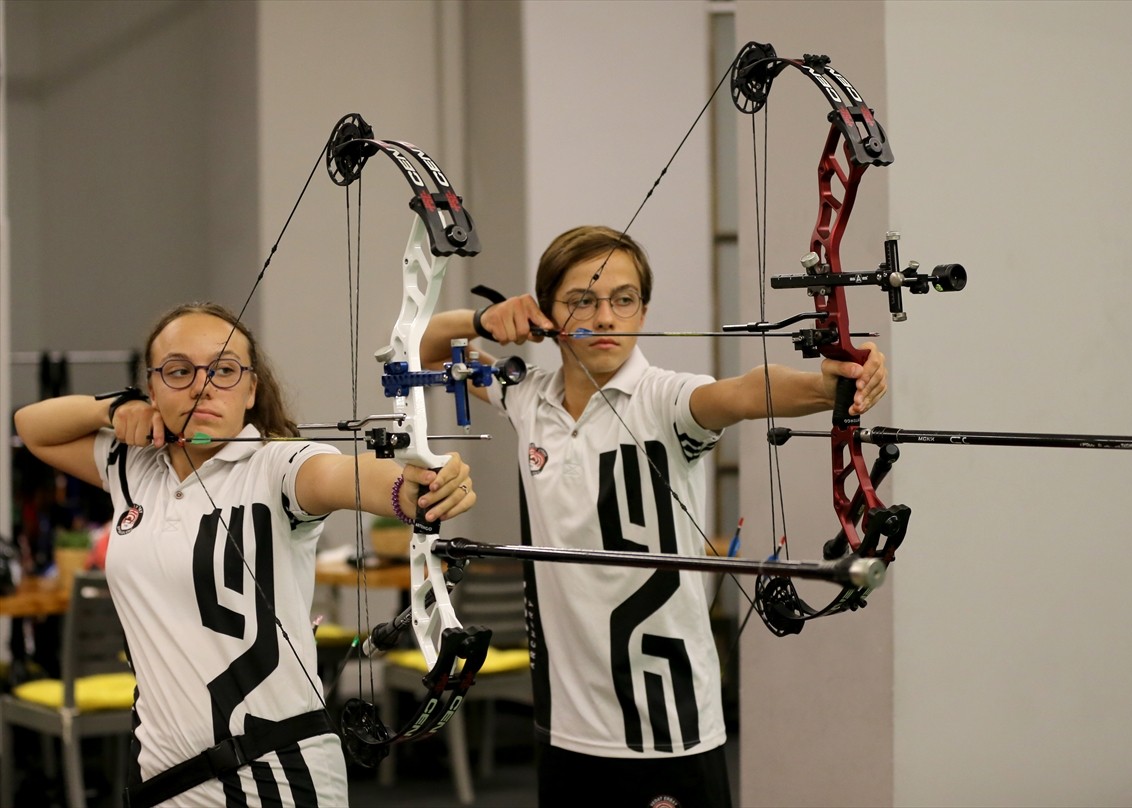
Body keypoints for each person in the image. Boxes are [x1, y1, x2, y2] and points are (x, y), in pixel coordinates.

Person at [419, 225, 888, 807]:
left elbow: (744, 392)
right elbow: (423, 348)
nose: (607, 316)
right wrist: (481, 321)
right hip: (566, 726)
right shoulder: (526, 398)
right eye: (582, 300)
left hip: (667, 733)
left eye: (624, 299)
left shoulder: (665, 399)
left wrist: (832, 384)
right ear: (547, 314)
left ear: (644, 308)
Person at [14, 302, 477, 807]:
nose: (202, 385)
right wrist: (111, 409)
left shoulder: (278, 465)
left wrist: (416, 487)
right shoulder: (132, 467)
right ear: (152, 388)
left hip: (271, 776)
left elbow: (346, 476)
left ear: (252, 388)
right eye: (178, 370)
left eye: (225, 370)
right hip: (161, 776)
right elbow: (32, 426)